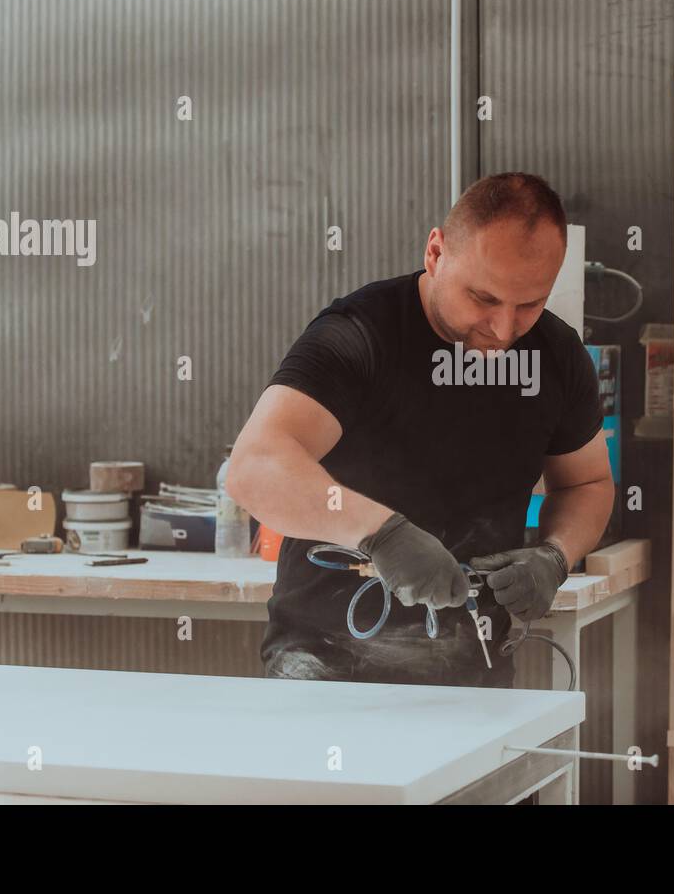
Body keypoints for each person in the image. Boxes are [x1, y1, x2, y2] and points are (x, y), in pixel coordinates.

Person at [226, 172, 614, 688]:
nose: (502, 330)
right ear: (436, 252)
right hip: (323, 666)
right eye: (483, 298)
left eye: (528, 304)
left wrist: (555, 555)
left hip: (475, 668)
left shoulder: (557, 357)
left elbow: (586, 483)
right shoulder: (360, 335)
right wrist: (382, 536)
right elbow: (254, 469)